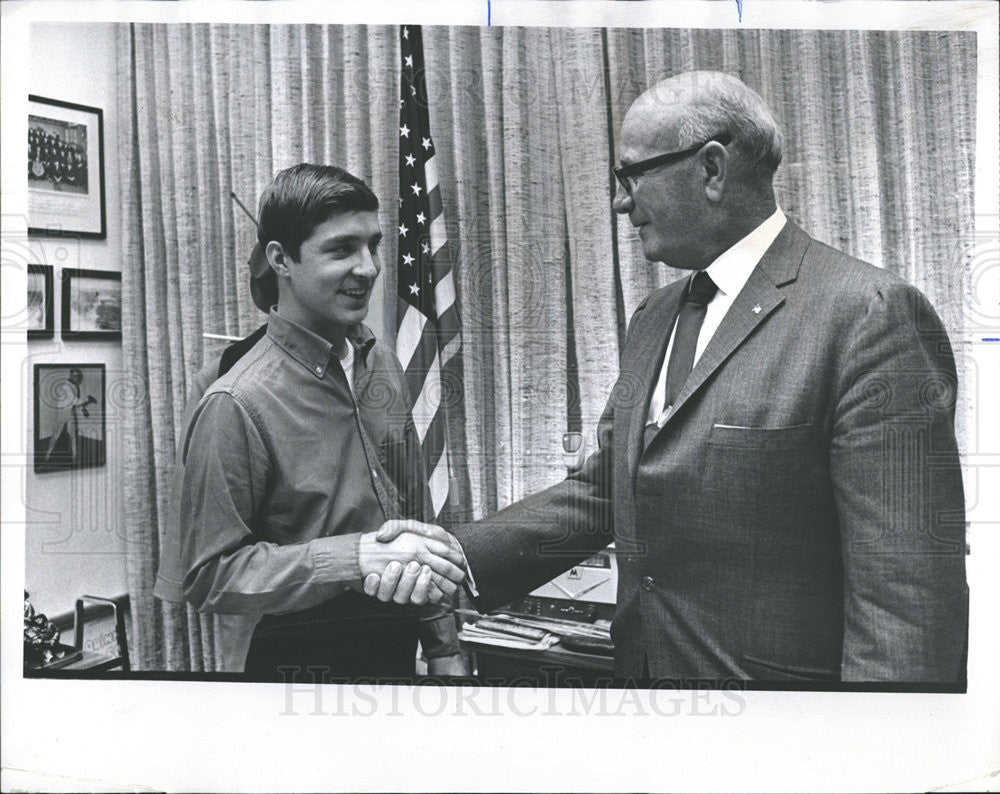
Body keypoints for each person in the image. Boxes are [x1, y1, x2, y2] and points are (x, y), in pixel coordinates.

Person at [374, 71, 968, 684]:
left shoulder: (867, 315)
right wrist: (459, 552)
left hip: (783, 733)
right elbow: (610, 489)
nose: (621, 201)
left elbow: (907, 594)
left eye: (631, 175)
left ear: (711, 169)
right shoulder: (654, 317)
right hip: (646, 704)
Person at [175, 163, 467, 680]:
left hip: (394, 646)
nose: (370, 267)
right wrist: (350, 557)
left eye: (373, 245)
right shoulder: (234, 402)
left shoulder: (381, 364)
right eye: (341, 249)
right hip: (297, 662)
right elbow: (209, 577)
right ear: (280, 260)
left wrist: (442, 644)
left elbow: (416, 512)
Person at [44, 367, 96, 463]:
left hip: (70, 412)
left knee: (73, 435)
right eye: (74, 375)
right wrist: (88, 400)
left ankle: (74, 457)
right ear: (71, 375)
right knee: (56, 434)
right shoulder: (66, 386)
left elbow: (74, 403)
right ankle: (48, 454)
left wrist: (84, 408)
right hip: (62, 412)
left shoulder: (74, 386)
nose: (76, 378)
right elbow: (75, 401)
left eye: (77, 376)